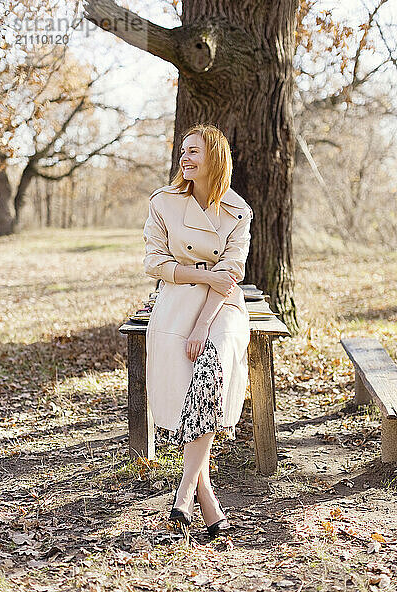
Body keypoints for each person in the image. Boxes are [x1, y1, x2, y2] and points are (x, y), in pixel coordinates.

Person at [142, 123, 253, 538]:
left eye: (194, 152)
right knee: (189, 382)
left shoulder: (238, 211)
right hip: (176, 298)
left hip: (221, 307)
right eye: (183, 151)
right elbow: (154, 263)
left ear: (215, 159)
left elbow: (230, 277)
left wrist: (204, 322)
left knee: (214, 362)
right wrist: (200, 274)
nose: (184, 159)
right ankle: (203, 493)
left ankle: (184, 489)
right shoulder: (163, 203)